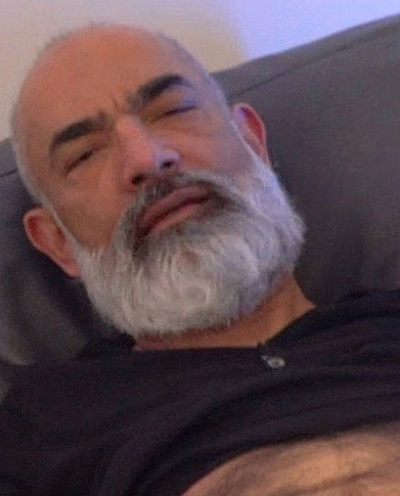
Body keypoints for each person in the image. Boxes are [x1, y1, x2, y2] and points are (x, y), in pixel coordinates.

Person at [1, 24, 400, 496]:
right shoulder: (45, 427)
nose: (147, 158)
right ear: (57, 243)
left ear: (253, 142)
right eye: (85, 154)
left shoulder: (387, 323)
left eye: (174, 110)